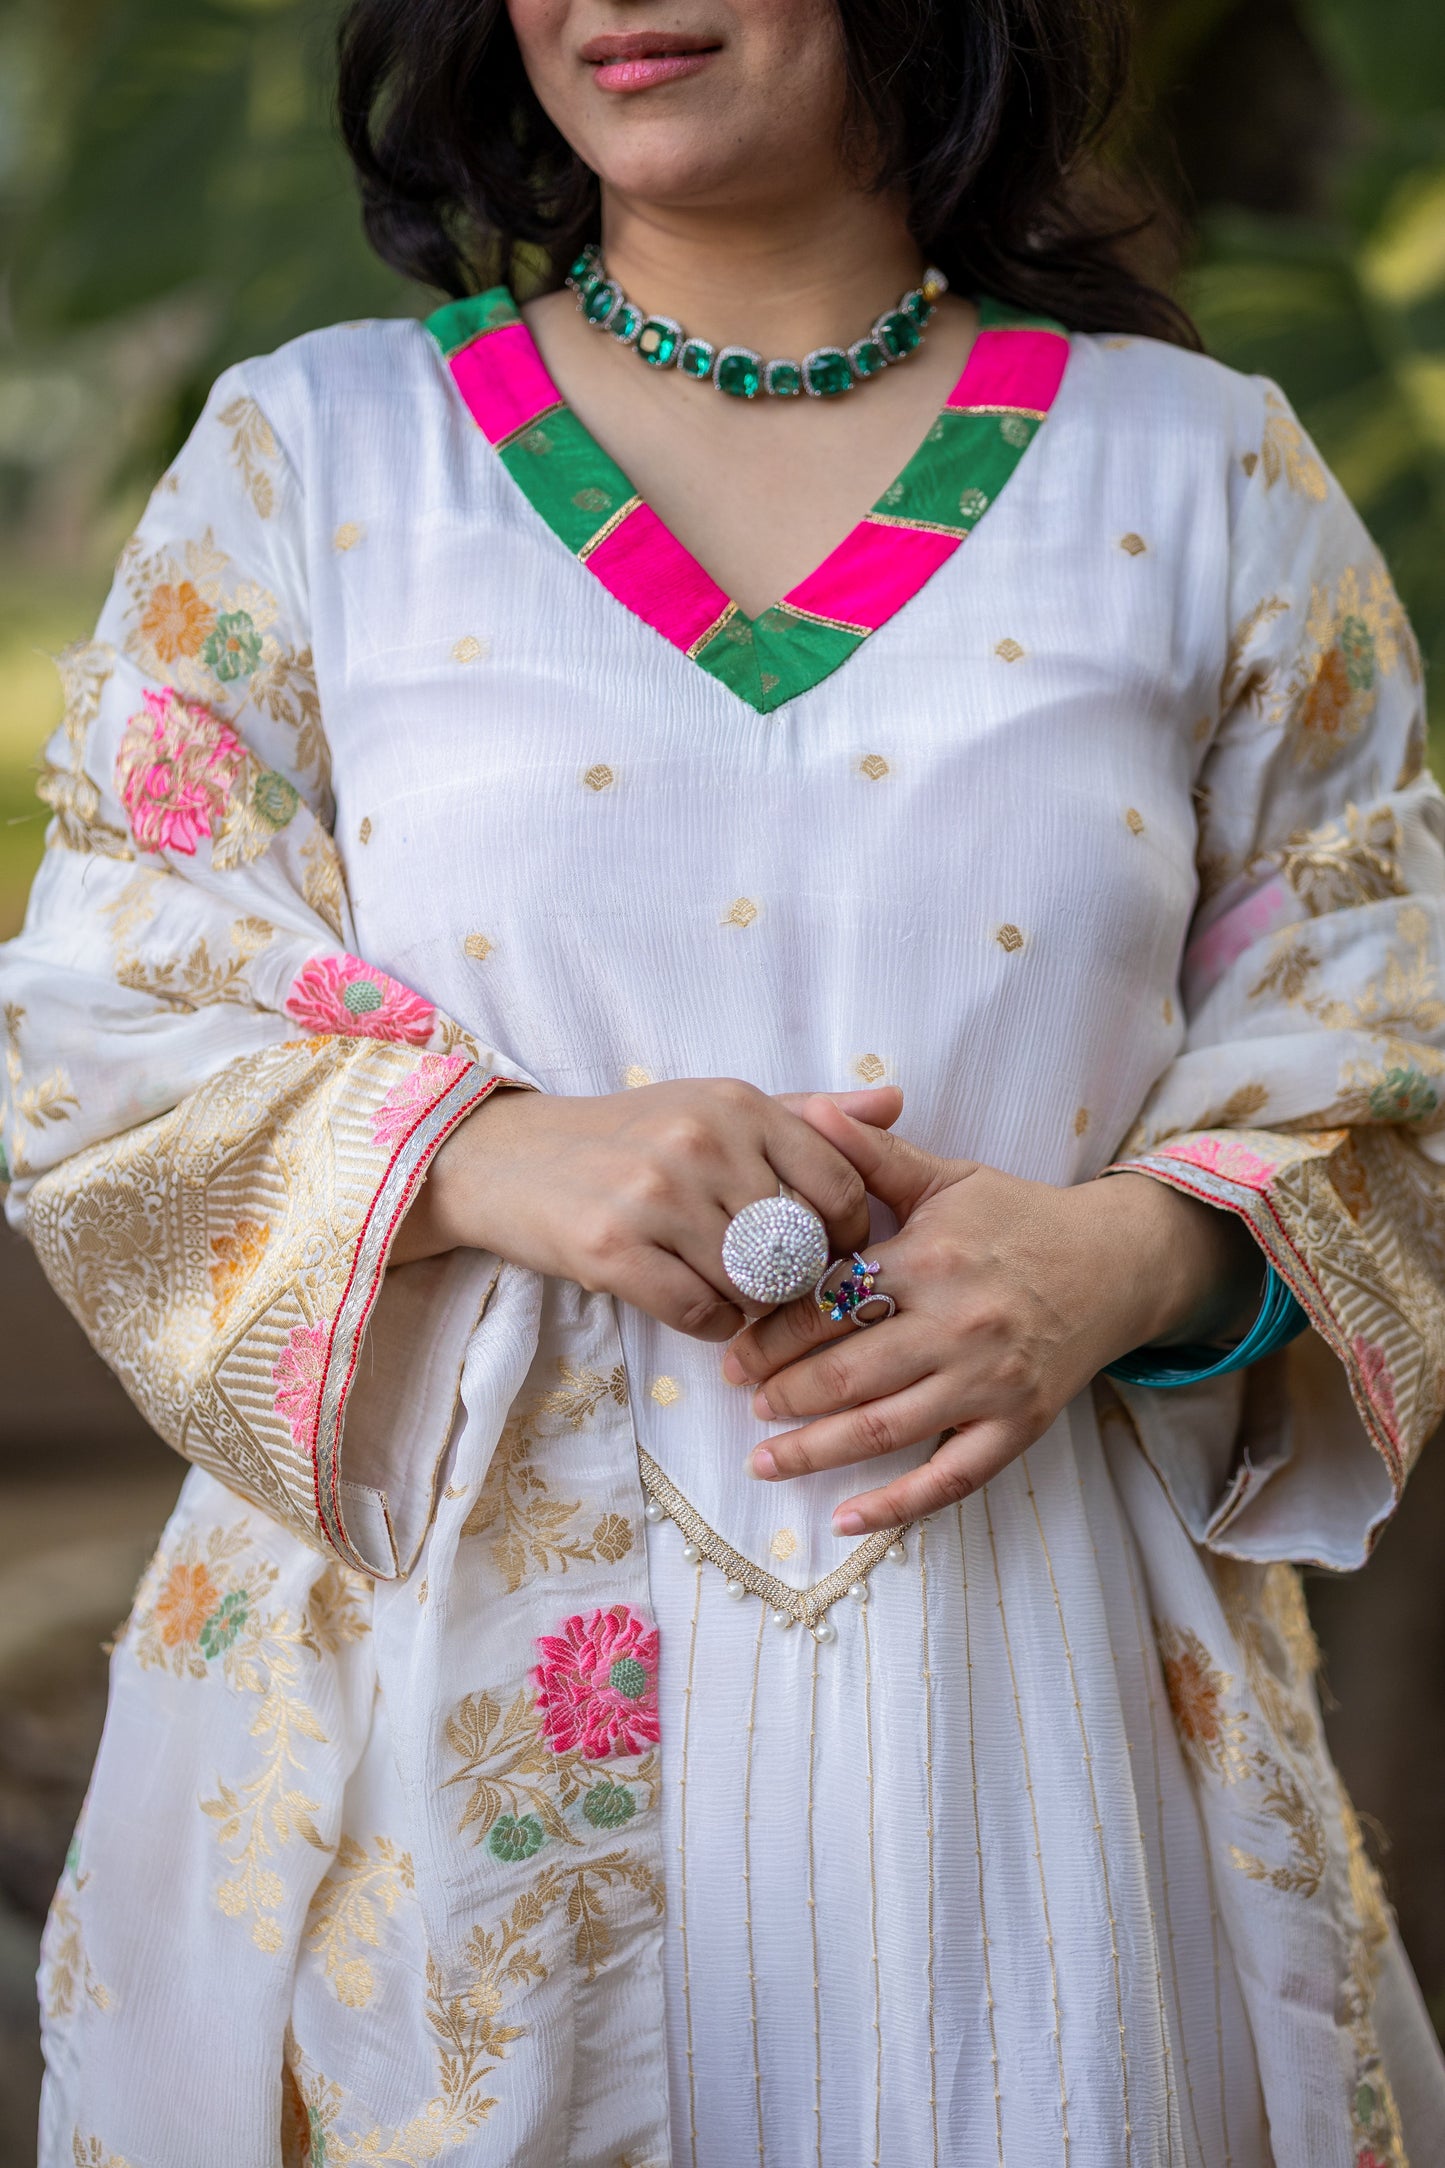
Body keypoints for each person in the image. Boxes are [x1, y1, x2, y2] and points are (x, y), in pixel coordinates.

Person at [5, 0, 1445, 2160]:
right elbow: (104, 1011)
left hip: (1047, 1716)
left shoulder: (1204, 472)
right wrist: (491, 1153)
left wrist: (1133, 1253)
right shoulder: (315, 461)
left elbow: (1390, 1018)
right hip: (441, 1750)